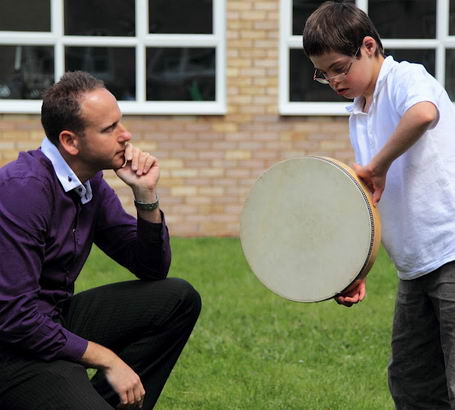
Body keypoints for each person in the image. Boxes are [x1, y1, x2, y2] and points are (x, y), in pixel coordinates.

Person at [0, 71, 201, 409]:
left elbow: (151, 269)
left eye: (120, 122)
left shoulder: (89, 184)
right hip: (12, 348)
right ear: (70, 141)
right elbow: (14, 316)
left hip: (51, 322)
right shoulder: (22, 190)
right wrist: (105, 358)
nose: (126, 135)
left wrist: (146, 196)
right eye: (109, 129)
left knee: (177, 298)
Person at [303, 1, 455, 409]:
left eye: (339, 67)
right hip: (415, 268)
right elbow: (372, 199)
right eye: (323, 72)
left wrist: (378, 164)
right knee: (412, 384)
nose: (333, 80)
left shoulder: (406, 78)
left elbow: (424, 114)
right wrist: (358, 266)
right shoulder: (358, 113)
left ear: (368, 46)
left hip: (451, 253)